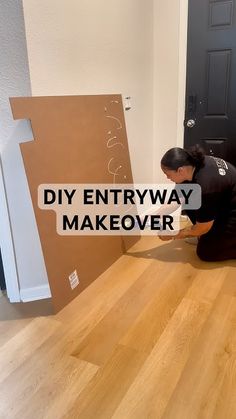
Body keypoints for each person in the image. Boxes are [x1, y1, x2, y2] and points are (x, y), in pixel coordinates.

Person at [160, 145, 236, 261]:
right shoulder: (194, 164)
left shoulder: (206, 187)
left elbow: (203, 228)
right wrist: (151, 216)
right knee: (188, 198)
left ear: (180, 170)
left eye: (168, 174)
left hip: (232, 213)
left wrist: (174, 234)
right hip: (223, 201)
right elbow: (176, 199)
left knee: (206, 253)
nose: (167, 178)